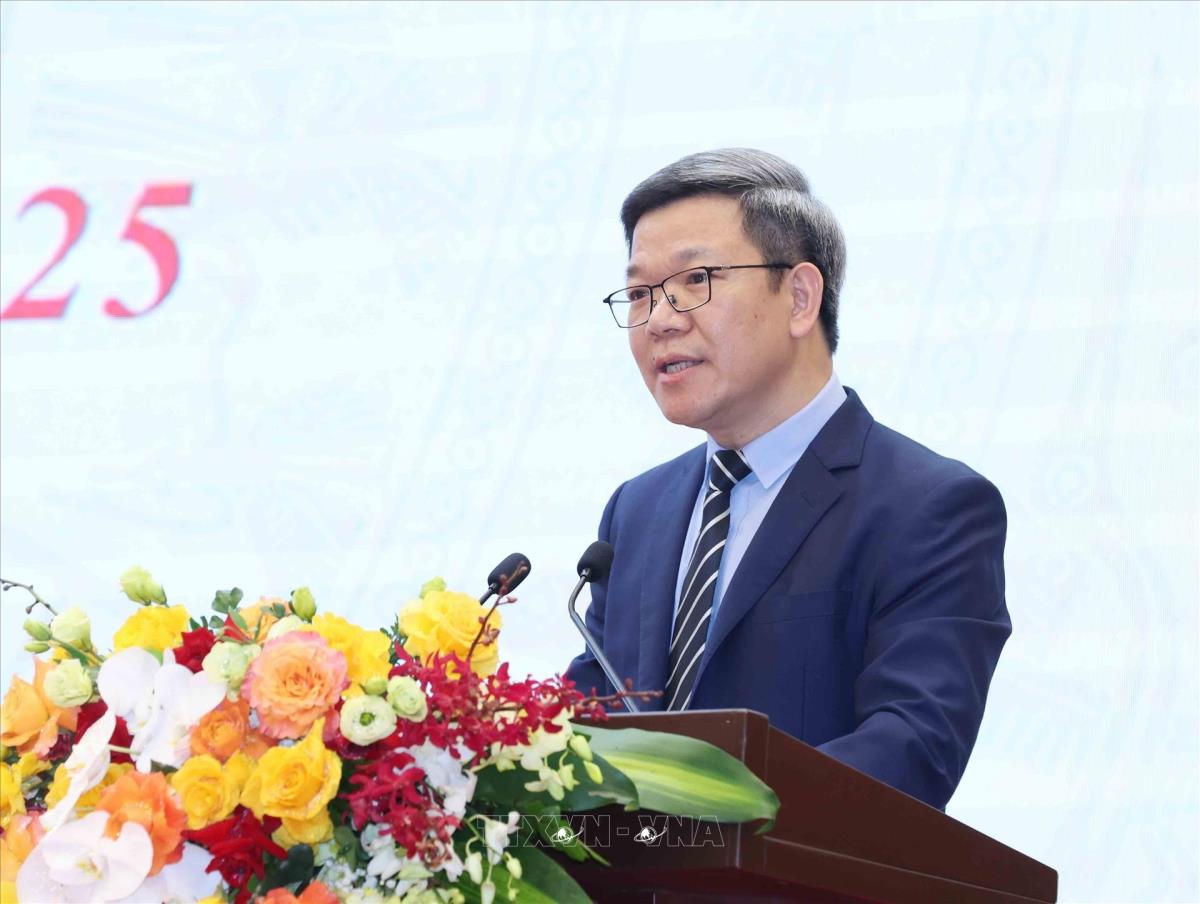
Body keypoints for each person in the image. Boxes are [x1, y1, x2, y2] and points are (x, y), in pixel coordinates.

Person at [565, 148, 1010, 810]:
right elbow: (585, 727)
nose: (659, 319)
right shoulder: (636, 511)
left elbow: (912, 750)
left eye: (695, 280)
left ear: (800, 298)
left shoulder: (929, 507)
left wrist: (698, 822)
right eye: (638, 294)